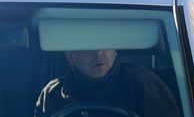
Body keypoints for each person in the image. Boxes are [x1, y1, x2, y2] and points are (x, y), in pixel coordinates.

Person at [34, 50, 179, 117]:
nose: (98, 53)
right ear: (70, 55)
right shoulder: (52, 94)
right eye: (88, 45)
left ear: (115, 50)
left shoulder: (144, 84)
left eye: (105, 43)